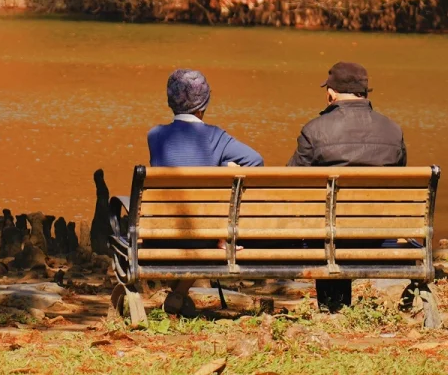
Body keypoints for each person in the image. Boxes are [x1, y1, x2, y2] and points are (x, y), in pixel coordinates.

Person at [287, 60, 406, 312]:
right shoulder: (393, 130)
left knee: (325, 225)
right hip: (377, 235)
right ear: (364, 93)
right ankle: (338, 307)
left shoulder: (314, 130)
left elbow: (291, 184)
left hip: (329, 236)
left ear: (331, 94)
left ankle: (331, 307)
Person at [146, 69, 262, 315]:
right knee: (207, 232)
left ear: (170, 102)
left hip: (160, 234)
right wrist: (223, 168)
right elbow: (255, 161)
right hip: (207, 236)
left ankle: (178, 295)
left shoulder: (155, 135)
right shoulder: (216, 137)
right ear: (204, 105)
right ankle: (178, 294)